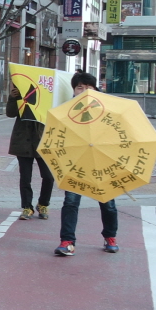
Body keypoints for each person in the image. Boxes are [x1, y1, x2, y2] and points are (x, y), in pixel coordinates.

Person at [54, 71, 121, 257]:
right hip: (76, 163)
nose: (84, 91)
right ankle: (67, 241)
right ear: (74, 90)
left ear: (96, 90)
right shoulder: (66, 112)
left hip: (102, 163)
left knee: (107, 203)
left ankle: (110, 237)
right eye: (79, 88)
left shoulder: (107, 111)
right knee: (70, 201)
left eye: (88, 88)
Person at [6, 85, 53, 220]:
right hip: (23, 141)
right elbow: (10, 113)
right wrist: (13, 98)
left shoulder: (46, 94)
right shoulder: (20, 93)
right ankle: (27, 207)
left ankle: (43, 204)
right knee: (25, 178)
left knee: (48, 177)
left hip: (42, 141)